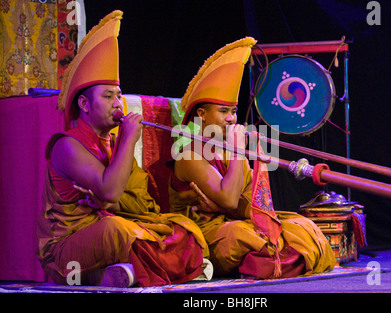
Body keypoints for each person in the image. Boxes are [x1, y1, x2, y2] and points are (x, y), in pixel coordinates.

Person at [36, 11, 209, 287]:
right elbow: (110, 189)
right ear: (84, 105)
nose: (118, 103)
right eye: (108, 96)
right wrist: (129, 139)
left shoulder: (113, 144)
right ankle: (157, 267)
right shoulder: (66, 145)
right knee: (117, 230)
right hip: (67, 247)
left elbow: (132, 202)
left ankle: (117, 274)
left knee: (177, 225)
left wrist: (111, 203)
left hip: (110, 232)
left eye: (119, 95)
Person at [168, 37, 336, 279]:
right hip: (206, 233)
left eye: (234, 111)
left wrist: (241, 160)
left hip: (238, 220)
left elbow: (249, 203)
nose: (231, 119)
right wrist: (238, 153)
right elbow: (228, 198)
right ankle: (280, 261)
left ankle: (278, 260)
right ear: (202, 115)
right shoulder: (189, 155)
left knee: (302, 226)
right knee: (241, 237)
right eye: (223, 111)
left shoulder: (227, 149)